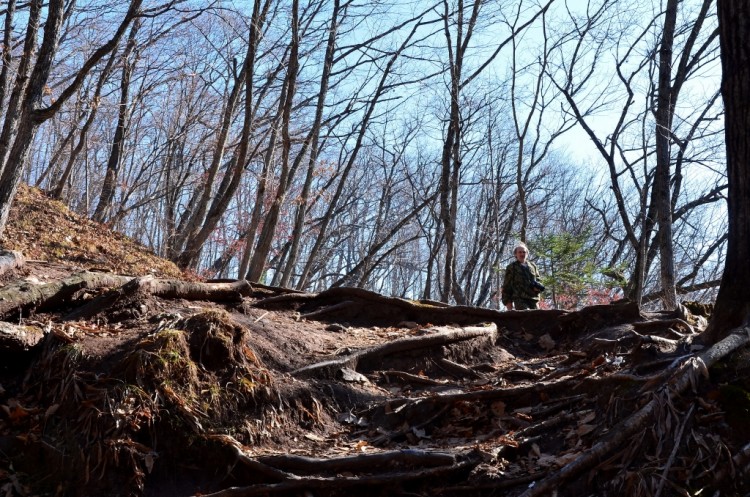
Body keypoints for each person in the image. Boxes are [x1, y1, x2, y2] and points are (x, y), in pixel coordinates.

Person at [501, 242, 544, 310]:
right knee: (526, 316)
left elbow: (538, 279)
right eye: (520, 252)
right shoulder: (511, 267)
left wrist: (538, 287)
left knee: (537, 318)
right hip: (520, 299)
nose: (522, 254)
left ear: (527, 254)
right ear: (516, 254)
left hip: (533, 299)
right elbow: (507, 286)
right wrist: (508, 304)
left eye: (524, 252)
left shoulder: (533, 266)